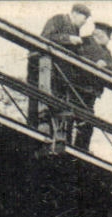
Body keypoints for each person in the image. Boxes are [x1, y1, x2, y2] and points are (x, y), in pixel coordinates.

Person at [33, 4, 93, 143]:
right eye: (83, 18)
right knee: (44, 101)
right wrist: (69, 39)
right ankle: (43, 128)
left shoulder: (76, 30)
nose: (84, 22)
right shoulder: (58, 20)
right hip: (45, 68)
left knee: (59, 104)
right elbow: (46, 37)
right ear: (75, 13)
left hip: (61, 74)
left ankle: (57, 135)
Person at [65, 22, 112, 150]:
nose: (108, 42)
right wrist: (94, 63)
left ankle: (81, 151)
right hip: (76, 87)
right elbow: (75, 55)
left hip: (91, 93)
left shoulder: (106, 52)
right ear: (101, 34)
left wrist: (105, 64)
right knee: (69, 116)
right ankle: (67, 146)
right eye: (108, 38)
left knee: (87, 123)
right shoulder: (84, 41)